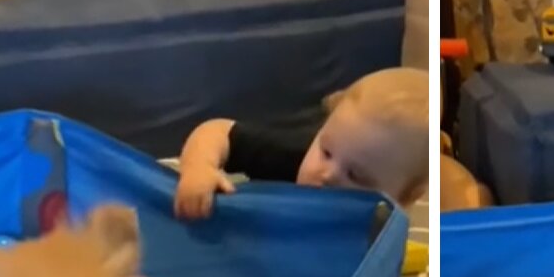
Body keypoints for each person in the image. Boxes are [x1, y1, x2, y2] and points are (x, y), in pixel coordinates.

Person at [174, 67, 430, 220]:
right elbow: (218, 130)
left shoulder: (384, 229)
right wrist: (200, 167)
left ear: (404, 197)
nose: (328, 174)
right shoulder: (294, 155)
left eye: (356, 175)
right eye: (326, 152)